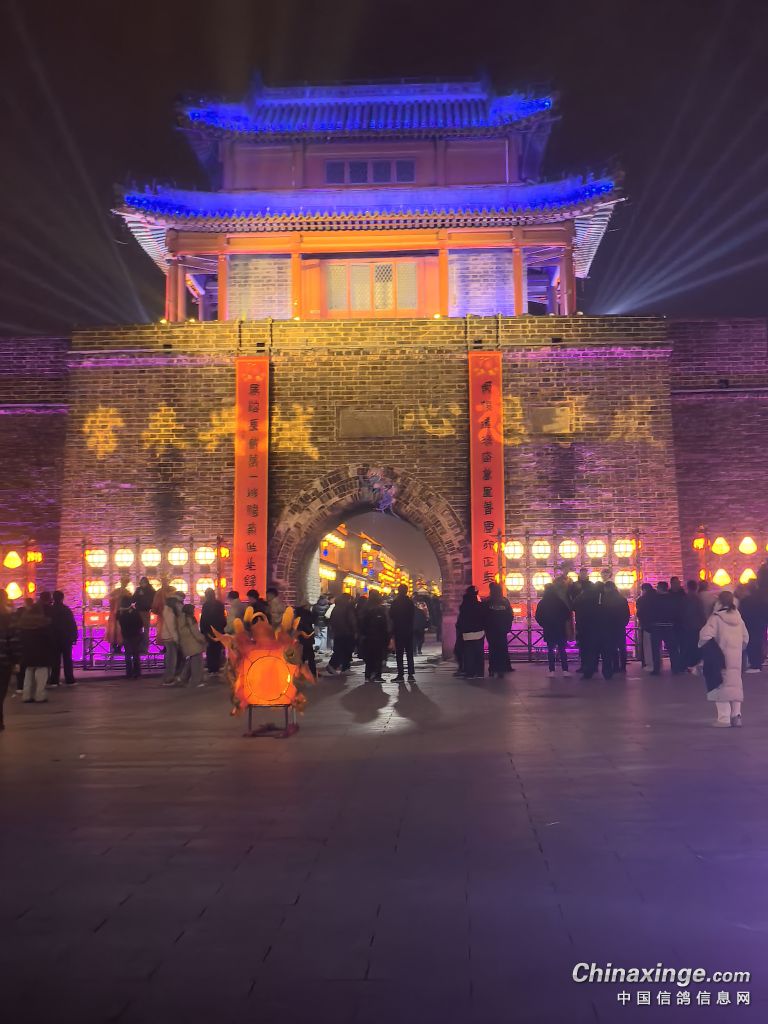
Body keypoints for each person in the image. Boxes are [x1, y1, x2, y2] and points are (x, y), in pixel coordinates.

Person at [698, 591, 748, 727]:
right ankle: (736, 715)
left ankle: (724, 718)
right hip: (736, 658)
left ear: (719, 602)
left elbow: (705, 636)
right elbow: (745, 638)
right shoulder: (739, 618)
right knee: (735, 685)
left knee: (720, 685)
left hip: (720, 658)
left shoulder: (716, 618)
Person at [18, 600, 54, 703]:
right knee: (41, 674)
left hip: (27, 652)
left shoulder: (23, 624)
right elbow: (49, 640)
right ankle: (40, 695)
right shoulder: (44, 624)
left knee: (28, 673)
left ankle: (27, 695)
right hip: (41, 653)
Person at [535, 583, 572, 676]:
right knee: (562, 650)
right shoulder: (559, 601)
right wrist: (561, 622)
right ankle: (565, 670)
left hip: (549, 629)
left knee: (550, 650)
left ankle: (551, 670)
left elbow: (538, 616)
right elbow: (567, 614)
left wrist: (544, 624)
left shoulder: (542, 602)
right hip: (560, 629)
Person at [650, 581, 682, 675]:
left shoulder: (654, 599)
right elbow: (677, 612)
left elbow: (650, 612)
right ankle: (675, 668)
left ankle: (656, 669)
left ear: (660, 588)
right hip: (669, 626)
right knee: (673, 648)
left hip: (656, 626)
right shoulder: (673, 599)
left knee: (656, 649)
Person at [483, 581, 514, 678]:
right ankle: (501, 669)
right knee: (502, 649)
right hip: (502, 629)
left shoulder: (487, 602)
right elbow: (510, 615)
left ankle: (492, 669)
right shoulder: (505, 601)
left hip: (491, 630)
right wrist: (507, 626)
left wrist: (486, 626)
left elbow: (484, 616)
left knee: (492, 649)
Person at [358, 589, 389, 683]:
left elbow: (361, 622)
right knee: (378, 656)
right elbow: (384, 623)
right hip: (378, 636)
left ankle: (368, 675)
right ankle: (377, 675)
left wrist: (362, 634)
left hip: (367, 636)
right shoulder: (380, 609)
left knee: (369, 656)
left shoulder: (365, 608)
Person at [601, 581, 630, 677]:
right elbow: (627, 613)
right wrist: (624, 623)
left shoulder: (604, 599)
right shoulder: (622, 599)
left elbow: (603, 614)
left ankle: (615, 666)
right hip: (620, 625)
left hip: (609, 626)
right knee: (622, 646)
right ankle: (623, 666)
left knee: (612, 647)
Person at [0, 590, 20, 729]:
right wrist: (16, 660)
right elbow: (14, 641)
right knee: (1, 692)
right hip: (4, 661)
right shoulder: (8, 618)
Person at [49, 590, 78, 686]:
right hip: (66, 638)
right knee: (67, 659)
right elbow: (72, 624)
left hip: (53, 638)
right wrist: (74, 636)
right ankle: (69, 680)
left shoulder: (50, 610)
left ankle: (54, 680)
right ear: (62, 598)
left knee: (55, 660)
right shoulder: (66, 610)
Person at [573, 583, 603, 679]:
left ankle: (586, 669)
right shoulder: (597, 597)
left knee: (585, 649)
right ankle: (594, 666)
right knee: (594, 648)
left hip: (583, 626)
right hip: (596, 626)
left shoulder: (580, 597)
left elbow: (573, 606)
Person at [324, 592, 357, 674]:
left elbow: (332, 619)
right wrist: (355, 630)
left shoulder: (336, 607)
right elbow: (351, 620)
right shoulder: (347, 608)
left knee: (339, 649)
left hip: (338, 632)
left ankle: (336, 666)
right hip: (347, 632)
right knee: (346, 650)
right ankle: (340, 667)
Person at [738, 581, 767, 673]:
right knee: (759, 642)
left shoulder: (745, 601)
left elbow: (742, 613)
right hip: (760, 623)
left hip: (750, 624)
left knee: (751, 643)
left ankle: (755, 664)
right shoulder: (762, 599)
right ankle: (758, 662)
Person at [456, 586, 485, 680]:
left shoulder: (464, 606)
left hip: (467, 633)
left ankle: (470, 673)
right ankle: (480, 672)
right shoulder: (480, 605)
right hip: (479, 632)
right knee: (479, 653)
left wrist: (460, 628)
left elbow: (461, 620)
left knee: (469, 654)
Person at [389, 584, 416, 682]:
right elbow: (413, 615)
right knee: (409, 652)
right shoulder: (410, 602)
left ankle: (400, 674)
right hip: (408, 629)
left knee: (399, 653)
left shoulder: (395, 602)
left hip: (398, 629)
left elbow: (391, 615)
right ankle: (411, 674)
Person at [177, 603, 207, 686]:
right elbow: (195, 632)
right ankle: (196, 681)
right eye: (193, 610)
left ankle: (183, 678)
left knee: (191, 661)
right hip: (194, 643)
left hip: (186, 643)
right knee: (197, 663)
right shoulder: (190, 619)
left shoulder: (181, 619)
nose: (194, 612)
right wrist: (203, 639)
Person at [199, 588, 227, 676]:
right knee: (217, 649)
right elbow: (223, 618)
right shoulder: (220, 604)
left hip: (208, 630)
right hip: (219, 630)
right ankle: (216, 668)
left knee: (210, 650)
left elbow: (203, 619)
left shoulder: (206, 605)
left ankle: (211, 668)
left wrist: (203, 630)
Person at [681, 580, 707, 671]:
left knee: (688, 645)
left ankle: (687, 663)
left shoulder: (684, 598)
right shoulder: (697, 599)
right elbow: (700, 612)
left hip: (686, 626)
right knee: (696, 645)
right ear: (696, 587)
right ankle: (694, 663)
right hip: (696, 625)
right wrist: (704, 623)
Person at [117, 596, 144, 678]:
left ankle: (129, 673)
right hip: (136, 635)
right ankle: (137, 672)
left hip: (126, 635)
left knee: (127, 654)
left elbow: (119, 623)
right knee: (136, 654)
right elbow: (140, 623)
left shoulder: (121, 613)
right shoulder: (135, 612)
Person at [158, 592, 182, 685]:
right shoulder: (169, 611)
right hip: (170, 637)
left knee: (171, 658)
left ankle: (170, 677)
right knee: (172, 659)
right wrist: (176, 638)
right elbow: (171, 626)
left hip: (168, 636)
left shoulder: (168, 610)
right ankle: (169, 678)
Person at [293, 596, 317, 680]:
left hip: (298, 637)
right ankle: (312, 673)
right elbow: (311, 623)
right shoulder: (307, 614)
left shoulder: (296, 613)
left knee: (300, 657)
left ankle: (298, 673)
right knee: (310, 657)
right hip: (306, 637)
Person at [133, 577, 156, 652]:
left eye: (144, 582)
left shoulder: (150, 590)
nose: (142, 584)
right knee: (140, 630)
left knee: (144, 630)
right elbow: (133, 599)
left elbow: (133, 599)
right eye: (141, 583)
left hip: (144, 611)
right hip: (140, 611)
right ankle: (140, 646)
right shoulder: (141, 589)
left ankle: (144, 647)